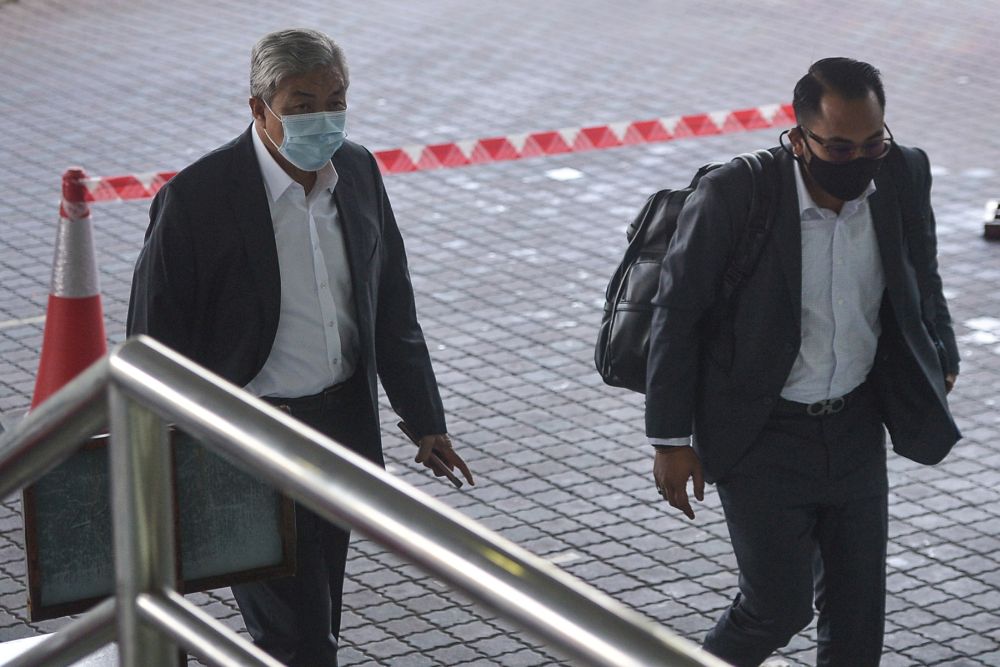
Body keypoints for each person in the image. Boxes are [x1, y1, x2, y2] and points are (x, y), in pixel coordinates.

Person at [127, 27, 474, 666]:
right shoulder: (198, 199)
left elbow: (391, 305)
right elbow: (151, 341)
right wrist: (168, 462)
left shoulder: (360, 172)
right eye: (302, 104)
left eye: (335, 99)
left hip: (337, 431)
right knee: (300, 638)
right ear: (259, 109)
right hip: (247, 442)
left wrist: (425, 420)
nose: (324, 118)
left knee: (320, 611)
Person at [645, 57, 960, 666]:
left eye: (874, 142)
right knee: (777, 607)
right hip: (761, 431)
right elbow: (676, 313)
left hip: (855, 424)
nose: (861, 161)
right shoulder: (737, 192)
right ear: (798, 138)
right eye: (839, 149)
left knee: (858, 618)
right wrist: (669, 437)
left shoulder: (902, 174)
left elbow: (922, 271)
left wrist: (939, 351)